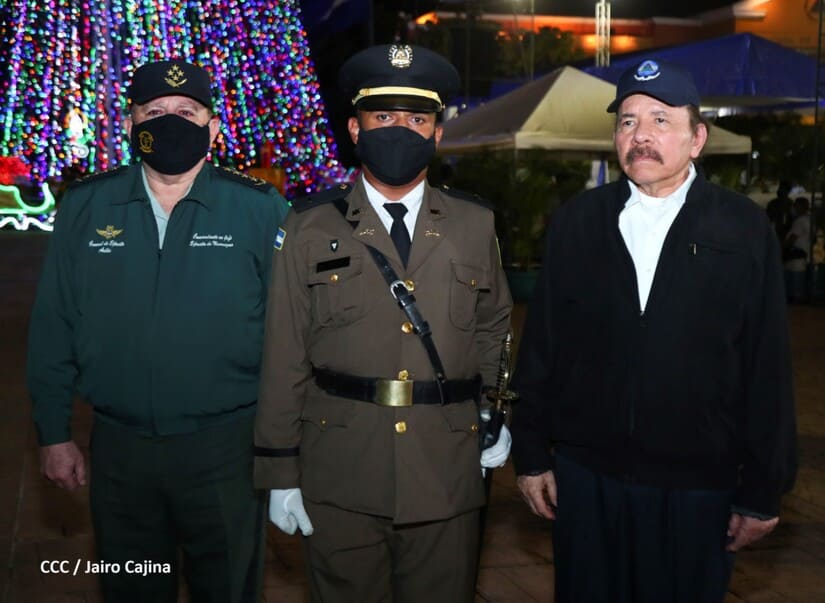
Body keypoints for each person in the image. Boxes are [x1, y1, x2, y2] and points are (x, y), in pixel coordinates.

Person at [511, 58, 797, 602]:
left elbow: (767, 365)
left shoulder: (741, 228)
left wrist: (764, 489)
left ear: (697, 139)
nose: (640, 135)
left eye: (661, 120)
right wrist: (530, 454)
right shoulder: (578, 222)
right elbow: (543, 345)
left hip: (697, 487)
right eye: (628, 121)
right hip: (588, 478)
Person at [253, 44, 513, 602]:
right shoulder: (307, 226)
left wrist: (493, 411)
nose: (401, 130)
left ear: (437, 133)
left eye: (417, 119)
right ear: (355, 128)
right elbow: (284, 353)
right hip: (340, 470)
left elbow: (494, 327)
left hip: (445, 469)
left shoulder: (473, 223)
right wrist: (279, 472)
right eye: (384, 117)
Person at [27, 59, 290, 603]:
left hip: (225, 448)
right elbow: (54, 325)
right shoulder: (86, 206)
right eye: (155, 111)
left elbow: (290, 333)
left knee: (227, 589)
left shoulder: (258, 208)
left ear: (213, 129)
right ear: (130, 124)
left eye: (187, 112)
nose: (171, 121)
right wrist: (53, 433)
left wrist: (286, 450)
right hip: (121, 451)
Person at [783, 196, 812, 302]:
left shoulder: (800, 221)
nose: (793, 208)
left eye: (795, 205)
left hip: (795, 258)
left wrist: (781, 249)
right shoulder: (809, 219)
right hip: (803, 256)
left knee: (794, 291)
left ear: (800, 206)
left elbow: (792, 239)